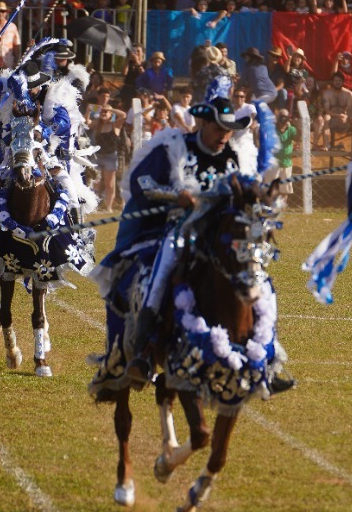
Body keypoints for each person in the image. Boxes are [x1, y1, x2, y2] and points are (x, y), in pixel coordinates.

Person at [110, 99, 264, 388]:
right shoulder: (175, 147)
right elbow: (142, 183)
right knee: (162, 270)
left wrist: (256, 191)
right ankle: (142, 351)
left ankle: (264, 352)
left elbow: (246, 190)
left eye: (229, 130)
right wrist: (175, 195)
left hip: (226, 233)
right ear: (203, 123)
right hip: (182, 229)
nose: (224, 136)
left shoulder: (233, 154)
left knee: (259, 272)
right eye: (219, 128)